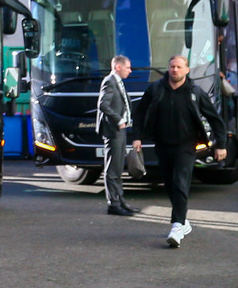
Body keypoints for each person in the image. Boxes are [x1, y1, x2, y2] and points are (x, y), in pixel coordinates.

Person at [132, 54, 228, 248]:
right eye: (172, 67)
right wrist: (137, 136)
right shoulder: (156, 89)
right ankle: (183, 220)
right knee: (169, 184)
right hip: (163, 144)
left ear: (186, 70)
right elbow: (140, 113)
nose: (174, 70)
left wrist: (221, 145)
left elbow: (215, 119)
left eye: (178, 67)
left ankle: (176, 226)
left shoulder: (195, 92)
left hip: (186, 145)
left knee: (180, 182)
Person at [97, 55, 137, 216]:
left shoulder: (118, 82)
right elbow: (103, 104)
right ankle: (113, 204)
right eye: (128, 67)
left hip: (121, 129)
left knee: (118, 167)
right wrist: (119, 119)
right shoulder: (109, 81)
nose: (130, 70)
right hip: (113, 130)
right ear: (118, 67)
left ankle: (120, 201)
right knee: (113, 168)